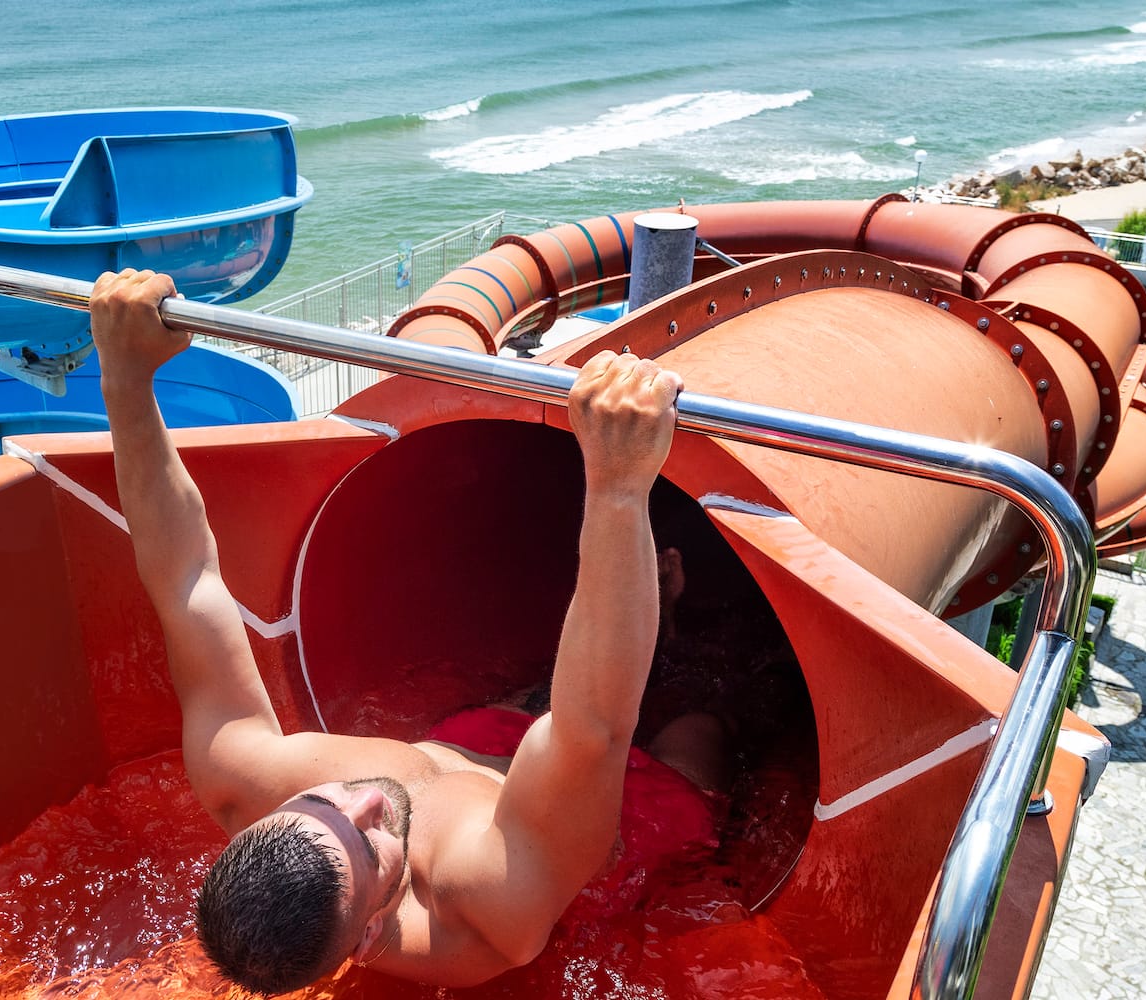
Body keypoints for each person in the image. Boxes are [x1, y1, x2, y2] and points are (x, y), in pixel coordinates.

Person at [90, 269, 713, 994]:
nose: (363, 797)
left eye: (321, 806)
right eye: (372, 840)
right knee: (702, 723)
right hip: (606, 827)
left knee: (535, 694)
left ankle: (654, 612)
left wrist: (126, 378)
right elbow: (595, 728)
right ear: (373, 932)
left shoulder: (246, 782)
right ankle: (678, 639)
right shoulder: (487, 903)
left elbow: (186, 583)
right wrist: (618, 485)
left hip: (482, 743)